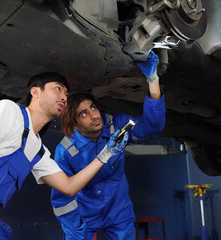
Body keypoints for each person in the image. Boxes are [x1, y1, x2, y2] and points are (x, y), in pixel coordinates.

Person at [0, 72, 129, 240]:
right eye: (58, 89)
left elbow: (69, 187)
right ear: (35, 92)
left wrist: (105, 154)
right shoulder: (9, 110)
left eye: (66, 94)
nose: (64, 97)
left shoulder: (37, 149)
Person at [50, 51, 166, 239]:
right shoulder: (65, 151)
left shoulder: (115, 125)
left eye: (93, 108)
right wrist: (75, 232)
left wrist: (153, 79)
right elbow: (61, 200)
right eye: (84, 114)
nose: (94, 115)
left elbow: (152, 126)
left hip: (118, 212)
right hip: (84, 215)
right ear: (74, 124)